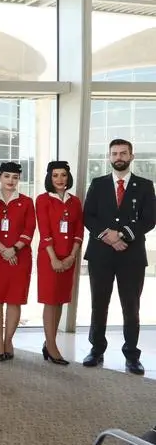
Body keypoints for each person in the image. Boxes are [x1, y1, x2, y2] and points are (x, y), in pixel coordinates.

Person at [82, 138, 155, 375]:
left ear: (131, 156)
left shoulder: (145, 185)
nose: (119, 157)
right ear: (109, 157)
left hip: (131, 256)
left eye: (123, 153)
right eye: (114, 153)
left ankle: (132, 355)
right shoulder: (98, 184)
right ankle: (96, 350)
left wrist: (122, 234)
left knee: (131, 307)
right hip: (101, 255)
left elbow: (149, 219)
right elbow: (88, 216)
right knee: (98, 304)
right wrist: (108, 236)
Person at [0, 162, 36, 362]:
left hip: (19, 258)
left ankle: (9, 341)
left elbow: (29, 229)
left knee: (15, 300)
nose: (11, 181)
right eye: (7, 176)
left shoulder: (27, 202)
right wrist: (3, 250)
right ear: (0, 177)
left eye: (15, 177)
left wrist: (14, 249)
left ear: (19, 179)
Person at [36, 161, 84, 366]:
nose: (60, 179)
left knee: (60, 300)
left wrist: (72, 256)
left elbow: (79, 230)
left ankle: (49, 342)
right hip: (49, 257)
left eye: (63, 175)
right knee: (50, 300)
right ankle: (52, 346)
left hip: (69, 258)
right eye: (55, 175)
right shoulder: (43, 199)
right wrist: (54, 259)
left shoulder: (75, 202)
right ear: (50, 178)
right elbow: (44, 231)